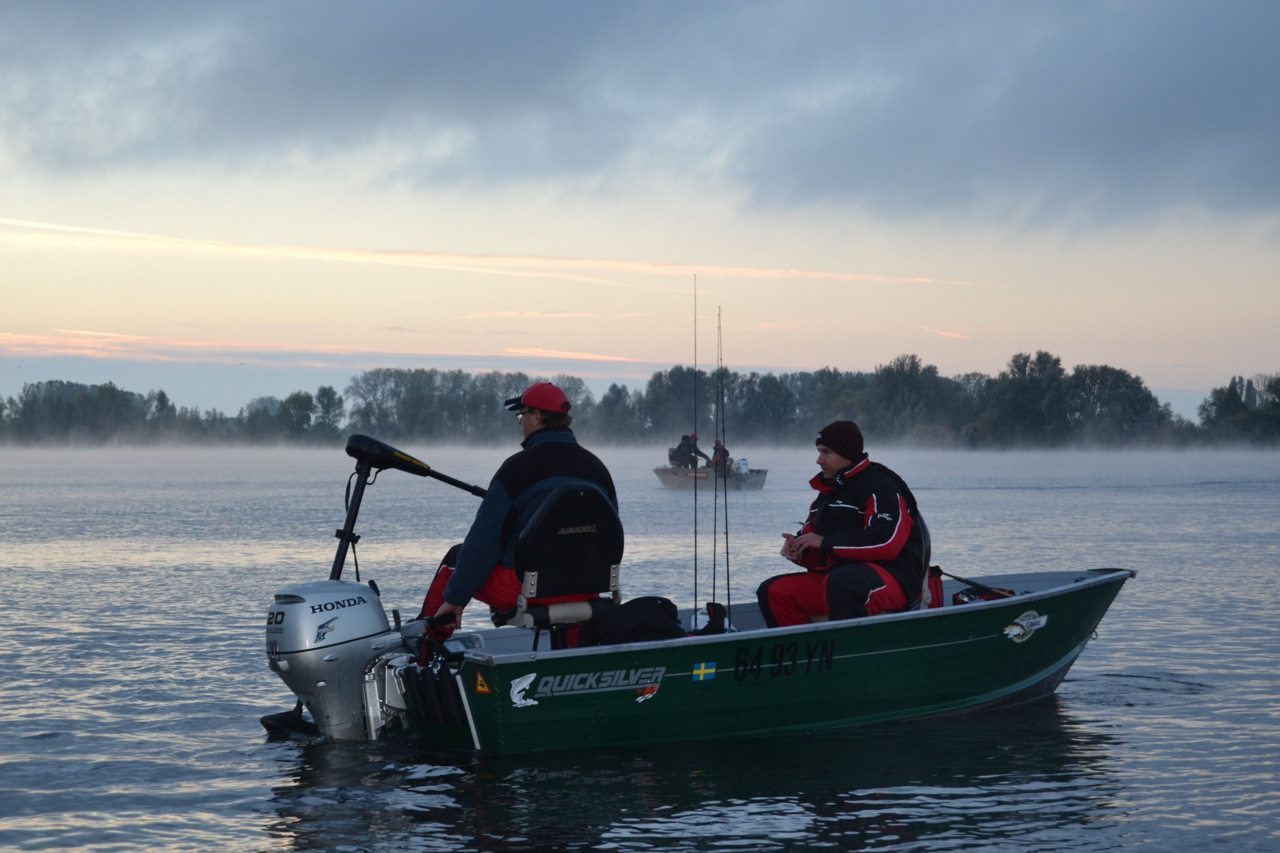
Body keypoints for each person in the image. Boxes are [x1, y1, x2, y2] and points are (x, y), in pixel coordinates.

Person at [419, 381, 618, 639]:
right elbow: (608, 536)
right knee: (565, 577)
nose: (520, 422)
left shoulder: (516, 470)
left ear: (537, 416)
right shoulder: (597, 469)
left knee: (456, 561)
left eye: (521, 415)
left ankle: (425, 649)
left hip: (526, 589)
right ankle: (572, 657)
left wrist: (455, 599)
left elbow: (483, 542)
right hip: (588, 587)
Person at [756, 420, 930, 627]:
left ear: (847, 453)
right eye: (819, 452)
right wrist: (799, 549)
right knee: (773, 592)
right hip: (838, 577)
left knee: (844, 583)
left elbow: (886, 543)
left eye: (826, 452)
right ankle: (808, 647)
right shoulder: (828, 492)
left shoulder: (881, 486)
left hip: (893, 577)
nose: (819, 460)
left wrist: (825, 542)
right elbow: (816, 544)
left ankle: (849, 647)